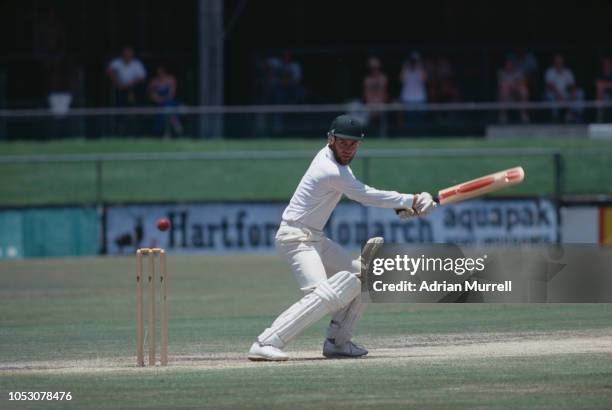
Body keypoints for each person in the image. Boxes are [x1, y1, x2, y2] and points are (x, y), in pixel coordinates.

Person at [247, 115, 436, 361]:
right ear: (331, 139)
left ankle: (338, 342)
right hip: (295, 238)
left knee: (366, 277)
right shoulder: (329, 169)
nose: (348, 149)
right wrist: (411, 200)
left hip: (314, 238)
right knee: (324, 294)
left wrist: (401, 207)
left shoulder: (336, 164)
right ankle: (267, 341)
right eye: (343, 142)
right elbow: (365, 195)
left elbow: (364, 193)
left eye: (353, 144)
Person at [544, 54, 584, 122]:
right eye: (557, 62)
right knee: (550, 96)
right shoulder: (550, 71)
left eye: (560, 62)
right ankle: (555, 118)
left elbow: (572, 85)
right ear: (554, 62)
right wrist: (559, 95)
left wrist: (573, 92)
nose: (559, 63)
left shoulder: (567, 72)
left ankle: (575, 114)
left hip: (565, 94)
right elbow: (550, 86)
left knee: (580, 93)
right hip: (554, 94)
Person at [148, 65, 183, 137]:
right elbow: (152, 96)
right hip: (159, 104)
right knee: (167, 110)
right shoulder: (154, 81)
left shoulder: (171, 79)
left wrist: (162, 99)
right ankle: (174, 124)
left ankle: (166, 133)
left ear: (165, 71)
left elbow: (171, 94)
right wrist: (159, 99)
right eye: (158, 71)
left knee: (168, 107)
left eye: (161, 71)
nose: (160, 73)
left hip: (169, 102)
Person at [497, 55, 530, 123]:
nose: (509, 65)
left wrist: (513, 86)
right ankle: (503, 115)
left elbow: (523, 84)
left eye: (511, 64)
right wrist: (513, 85)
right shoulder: (501, 73)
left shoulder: (518, 72)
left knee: (524, 91)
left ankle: (523, 114)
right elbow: (501, 85)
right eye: (507, 64)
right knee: (504, 91)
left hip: (516, 94)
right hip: (507, 95)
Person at [399, 52, 428, 126]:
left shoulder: (420, 70)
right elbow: (401, 79)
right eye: (412, 61)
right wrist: (405, 66)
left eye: (415, 61)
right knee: (408, 119)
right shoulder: (406, 70)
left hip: (419, 98)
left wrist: (420, 66)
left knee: (421, 119)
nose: (413, 63)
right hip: (407, 98)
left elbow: (425, 80)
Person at [362, 57, 388, 127]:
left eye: (376, 68)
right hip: (370, 106)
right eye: (373, 68)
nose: (375, 70)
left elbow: (384, 94)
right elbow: (366, 95)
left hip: (381, 105)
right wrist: (371, 106)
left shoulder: (383, 78)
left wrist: (379, 105)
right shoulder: (367, 80)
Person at [596, 57, 612, 122]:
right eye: (605, 64)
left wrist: (604, 85)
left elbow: (602, 85)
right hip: (604, 97)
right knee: (600, 91)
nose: (606, 65)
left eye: (608, 63)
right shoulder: (600, 74)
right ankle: (600, 115)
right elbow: (598, 85)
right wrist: (608, 85)